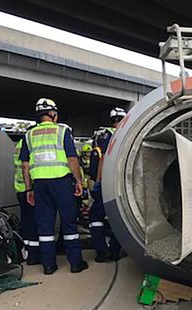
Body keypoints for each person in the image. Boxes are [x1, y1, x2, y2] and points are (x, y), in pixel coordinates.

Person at [20, 98, 88, 274]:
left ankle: (48, 265)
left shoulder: (29, 134)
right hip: (62, 182)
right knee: (69, 222)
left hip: (40, 185)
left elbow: (25, 165)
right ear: (53, 114)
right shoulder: (62, 130)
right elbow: (72, 159)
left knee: (44, 225)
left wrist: (28, 189)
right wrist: (79, 181)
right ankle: (75, 263)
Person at [88, 107, 125, 262]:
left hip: (107, 183)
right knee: (118, 217)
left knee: (95, 217)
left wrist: (98, 180)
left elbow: (103, 159)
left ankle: (102, 251)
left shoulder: (108, 135)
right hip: (123, 184)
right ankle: (115, 251)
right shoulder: (127, 133)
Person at [14, 138, 40, 264]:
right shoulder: (30, 144)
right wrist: (31, 188)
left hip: (20, 189)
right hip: (29, 190)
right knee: (35, 222)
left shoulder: (19, 144)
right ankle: (34, 255)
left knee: (26, 222)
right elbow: (27, 167)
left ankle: (28, 251)